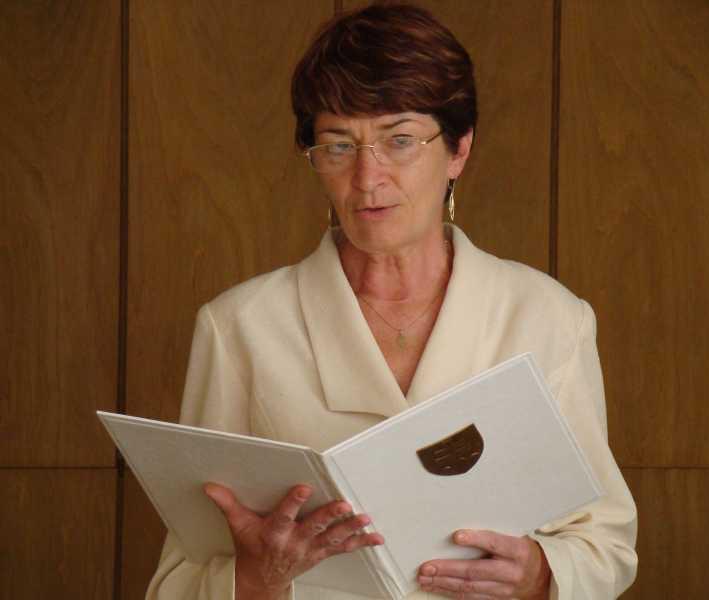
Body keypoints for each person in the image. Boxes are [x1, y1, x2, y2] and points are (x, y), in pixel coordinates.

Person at [146, 3, 637, 599]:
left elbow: (606, 546)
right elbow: (177, 580)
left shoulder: (550, 317)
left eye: (399, 140)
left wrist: (540, 575)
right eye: (337, 146)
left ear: (458, 149)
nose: (367, 178)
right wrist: (253, 578)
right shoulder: (238, 328)